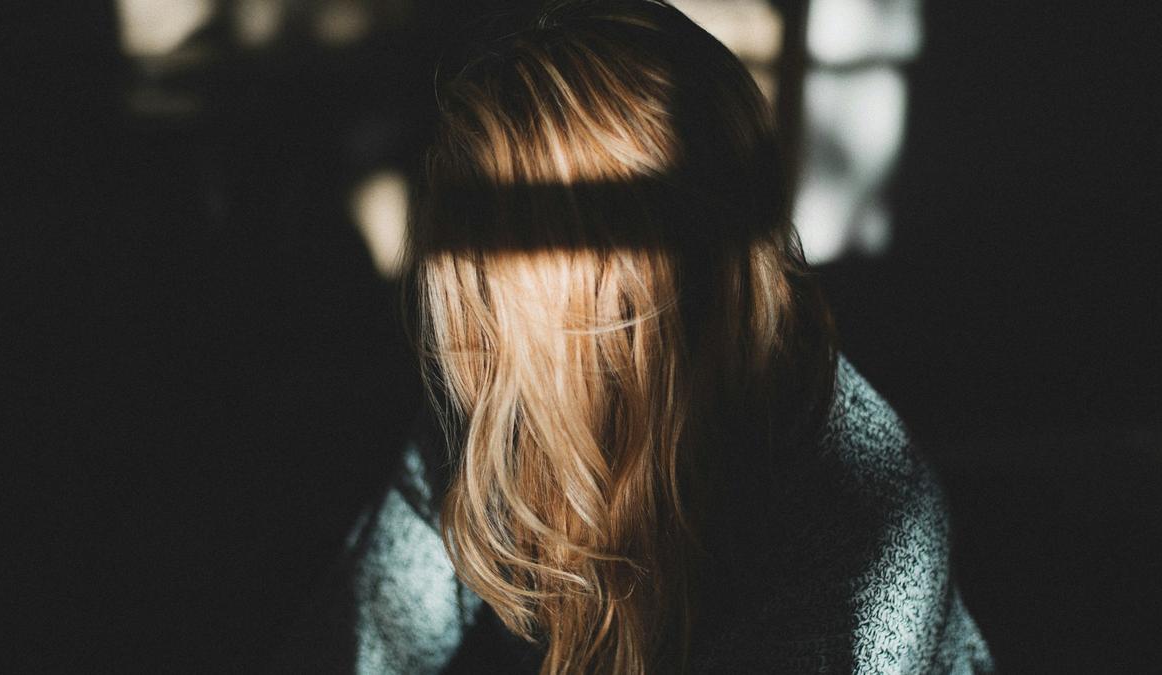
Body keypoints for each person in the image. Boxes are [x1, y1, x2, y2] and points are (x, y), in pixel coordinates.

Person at [323, 1, 995, 672]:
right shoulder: (500, 400)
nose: (467, 339)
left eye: (491, 287)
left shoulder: (855, 530)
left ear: (621, 308)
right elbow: (369, 639)